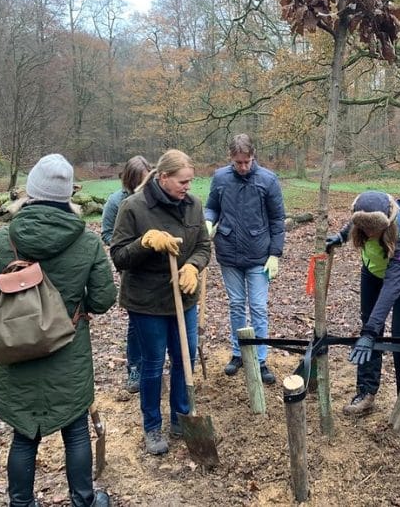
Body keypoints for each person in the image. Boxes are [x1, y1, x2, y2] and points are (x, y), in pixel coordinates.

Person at [0, 153, 116, 507]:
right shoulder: (88, 242)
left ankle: (21, 504)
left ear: (30, 193)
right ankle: (83, 500)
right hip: (69, 349)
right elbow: (104, 299)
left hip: (15, 348)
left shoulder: (2, 241)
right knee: (76, 430)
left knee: (23, 435)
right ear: (68, 195)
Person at [110, 149, 210, 455]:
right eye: (182, 181)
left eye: (190, 182)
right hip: (147, 302)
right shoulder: (134, 207)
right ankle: (152, 426)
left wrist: (193, 266)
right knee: (153, 365)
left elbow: (205, 246)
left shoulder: (193, 206)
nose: (187, 187)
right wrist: (144, 242)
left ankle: (181, 417)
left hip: (184, 299)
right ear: (163, 177)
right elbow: (119, 257)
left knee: (184, 359)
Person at [325, 191, 400, 438]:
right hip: (372, 272)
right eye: (364, 230)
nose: (370, 235)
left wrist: (371, 330)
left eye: (375, 231)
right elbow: (355, 221)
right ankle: (366, 391)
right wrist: (341, 237)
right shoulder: (362, 221)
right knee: (369, 332)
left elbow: (393, 286)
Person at [204, 133, 285, 385]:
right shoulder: (220, 178)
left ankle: (260, 358)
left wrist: (274, 254)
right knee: (237, 304)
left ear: (253, 156)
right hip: (228, 251)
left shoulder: (268, 180)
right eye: (238, 162)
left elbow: (277, 220)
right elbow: (212, 206)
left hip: (259, 254)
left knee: (258, 307)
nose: (243, 167)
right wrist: (208, 221)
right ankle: (239, 353)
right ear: (231, 158)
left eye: (247, 161)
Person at [101, 155, 152, 394]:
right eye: (139, 182)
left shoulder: (154, 199)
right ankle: (135, 367)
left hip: (156, 266)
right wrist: (131, 247)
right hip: (130, 266)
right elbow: (107, 234)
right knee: (136, 320)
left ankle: (154, 366)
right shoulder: (116, 202)